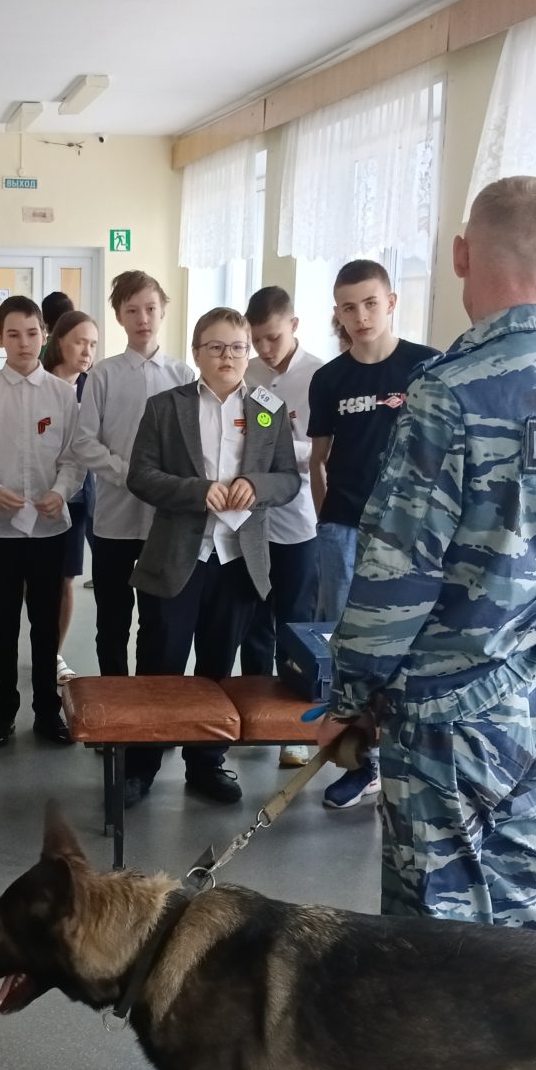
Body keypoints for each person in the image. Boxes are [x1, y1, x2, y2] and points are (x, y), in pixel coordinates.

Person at [313, 176, 536, 1070]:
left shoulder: (449, 393)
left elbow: (396, 575)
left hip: (441, 710)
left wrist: (352, 696)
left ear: (459, 257)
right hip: (525, 700)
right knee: (522, 898)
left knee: (434, 929)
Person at [123, 307, 302, 808]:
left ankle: (205, 763)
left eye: (238, 347)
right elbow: (141, 475)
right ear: (197, 352)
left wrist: (256, 485)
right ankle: (140, 766)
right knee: (160, 667)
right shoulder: (166, 407)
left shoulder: (268, 407)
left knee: (218, 670)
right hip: (179, 557)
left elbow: (288, 479)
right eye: (216, 347)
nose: (228, 356)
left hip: (238, 560)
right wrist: (198, 491)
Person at [306, 260, 441, 809]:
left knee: (403, 645)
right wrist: (327, 520)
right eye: (348, 307)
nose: (360, 316)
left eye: (369, 303)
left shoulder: (427, 367)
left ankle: (402, 760)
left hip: (408, 535)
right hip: (342, 527)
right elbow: (318, 460)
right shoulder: (329, 379)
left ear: (391, 303)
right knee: (344, 644)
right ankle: (362, 762)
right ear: (337, 313)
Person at [71, 271, 195, 676]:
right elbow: (84, 441)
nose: (143, 318)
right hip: (115, 519)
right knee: (112, 618)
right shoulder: (103, 375)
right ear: (119, 317)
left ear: (163, 311)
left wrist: (165, 485)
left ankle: (147, 702)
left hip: (165, 520)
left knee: (158, 620)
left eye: (150, 308)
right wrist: (131, 476)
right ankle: (113, 700)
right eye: (132, 310)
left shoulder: (183, 376)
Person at [0, 296, 83, 749]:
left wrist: (60, 491)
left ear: (45, 335)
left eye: (32, 333)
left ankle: (46, 711)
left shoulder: (63, 394)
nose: (24, 343)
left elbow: (74, 457)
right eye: (13, 334)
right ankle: (3, 711)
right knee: (2, 623)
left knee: (44, 623)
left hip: (47, 526)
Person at [241, 285, 325, 767]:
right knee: (254, 621)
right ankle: (255, 717)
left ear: (293, 325)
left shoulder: (319, 375)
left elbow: (321, 450)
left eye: (272, 337)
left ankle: (295, 729)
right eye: (257, 340)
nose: (264, 348)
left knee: (296, 625)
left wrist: (275, 452)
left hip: (299, 521)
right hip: (253, 520)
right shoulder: (248, 372)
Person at [43, 308, 100, 683]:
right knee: (37, 581)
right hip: (34, 496)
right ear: (59, 341)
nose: (87, 351)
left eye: (93, 344)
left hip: (76, 498)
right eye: (80, 342)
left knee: (65, 579)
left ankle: (54, 653)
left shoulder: (93, 388)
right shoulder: (38, 384)